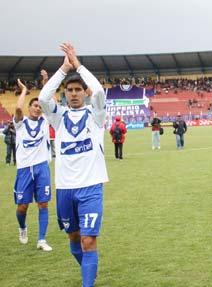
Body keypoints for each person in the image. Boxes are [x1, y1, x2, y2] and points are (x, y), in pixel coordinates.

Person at [39, 43, 109, 286]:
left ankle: (87, 282)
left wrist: (78, 64)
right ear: (65, 93)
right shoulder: (59, 118)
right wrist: (63, 69)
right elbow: (42, 98)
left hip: (91, 187)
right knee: (74, 238)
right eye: (70, 90)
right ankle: (89, 270)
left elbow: (99, 92)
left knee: (88, 241)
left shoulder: (96, 116)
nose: (75, 93)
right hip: (65, 189)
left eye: (79, 89)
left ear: (84, 92)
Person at [13, 79, 52, 251]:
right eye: (34, 105)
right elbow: (18, 109)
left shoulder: (45, 121)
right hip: (24, 170)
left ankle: (42, 240)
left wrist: (46, 83)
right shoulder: (21, 124)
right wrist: (24, 91)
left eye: (39, 106)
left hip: (41, 167)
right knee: (22, 206)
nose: (38, 108)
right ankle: (22, 228)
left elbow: (50, 101)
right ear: (30, 108)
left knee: (43, 204)